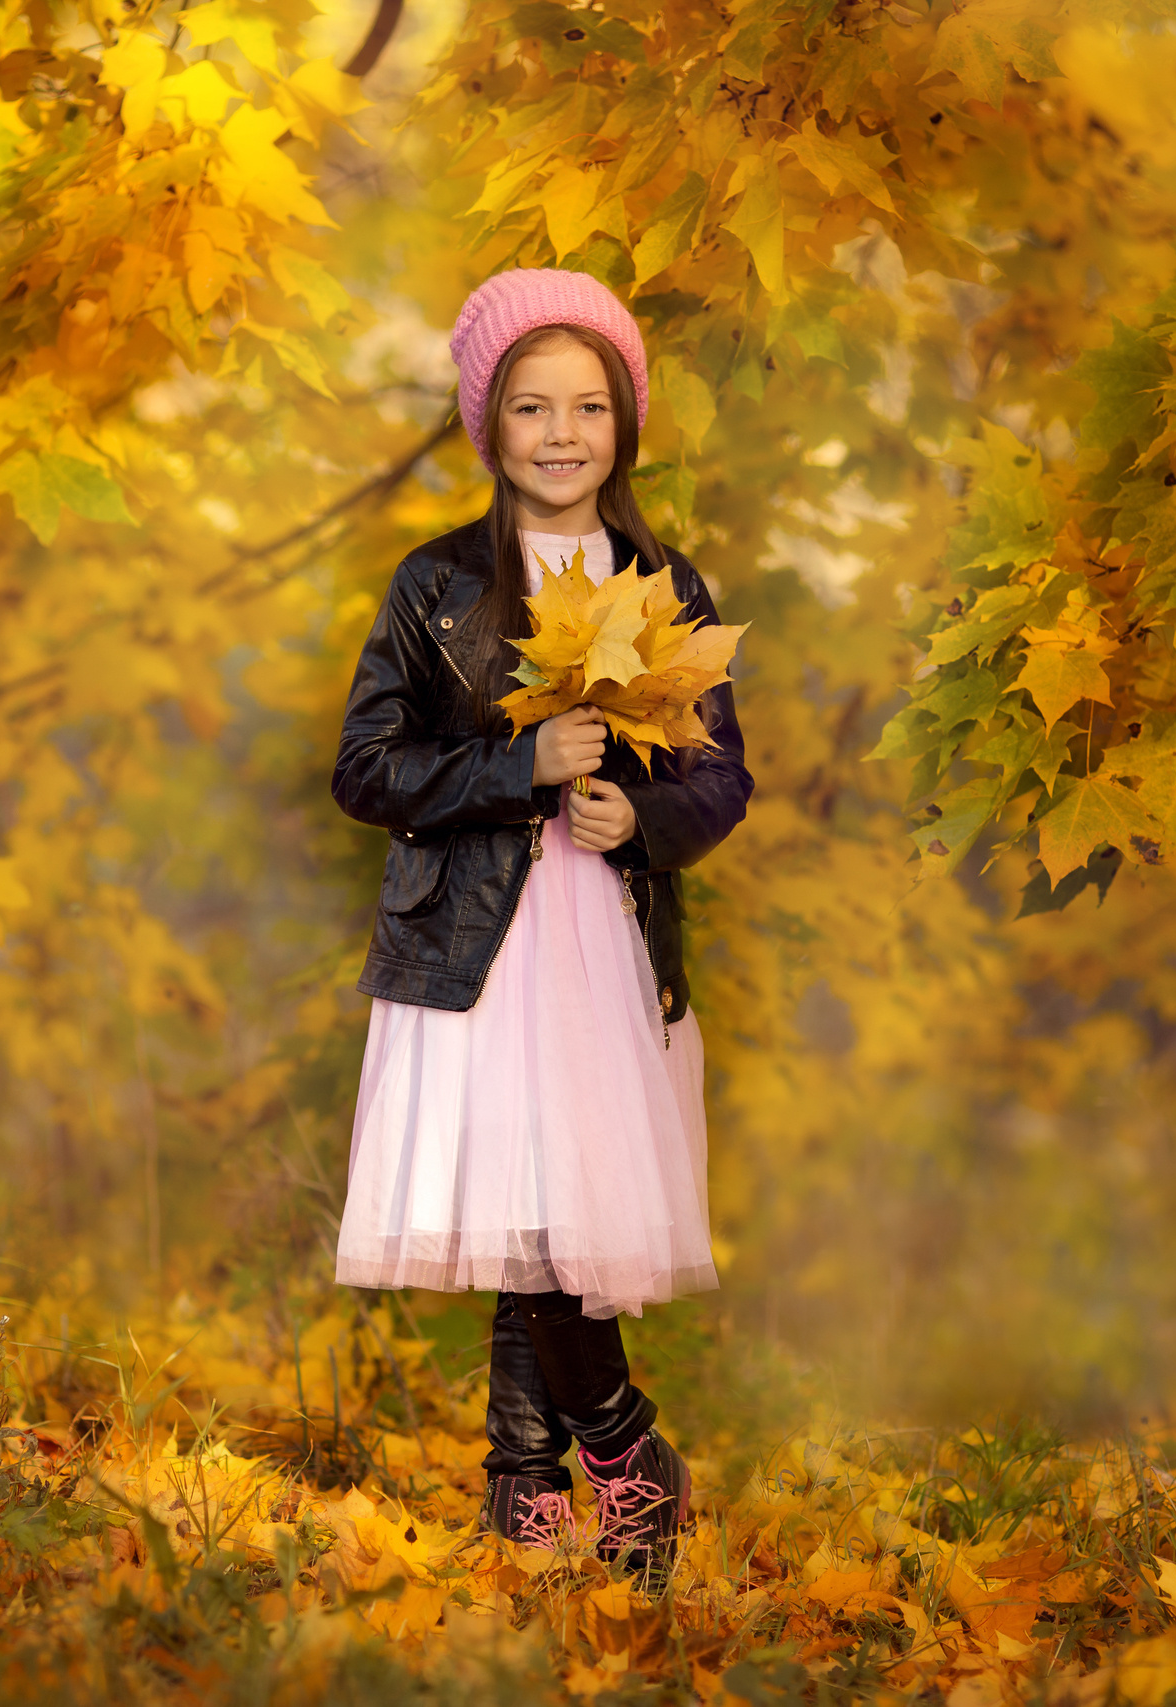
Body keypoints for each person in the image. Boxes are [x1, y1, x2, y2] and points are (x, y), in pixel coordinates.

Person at [329, 268, 754, 1580]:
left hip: (604, 938)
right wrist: (515, 766)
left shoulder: (664, 582)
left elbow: (720, 773)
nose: (562, 433)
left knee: (556, 1210)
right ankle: (613, 1457)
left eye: (589, 405)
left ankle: (529, 1481)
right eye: (531, 407)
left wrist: (646, 816)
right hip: (477, 946)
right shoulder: (438, 584)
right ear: (488, 424)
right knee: (531, 1207)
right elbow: (365, 767)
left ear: (625, 421)